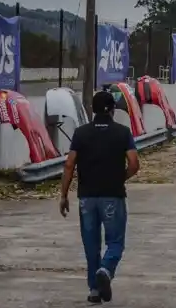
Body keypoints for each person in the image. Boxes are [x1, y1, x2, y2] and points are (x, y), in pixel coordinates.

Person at [59, 91, 140, 304]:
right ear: (113, 109)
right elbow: (134, 163)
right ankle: (105, 270)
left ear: (92, 110)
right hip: (113, 195)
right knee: (115, 242)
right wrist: (121, 177)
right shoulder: (122, 133)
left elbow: (69, 164)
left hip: (87, 197)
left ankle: (95, 290)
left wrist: (64, 195)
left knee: (91, 245)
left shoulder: (81, 133)